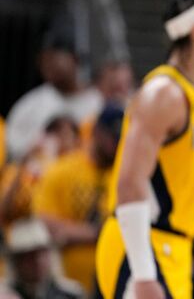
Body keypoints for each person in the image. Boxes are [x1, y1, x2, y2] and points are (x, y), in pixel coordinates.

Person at [95, 0, 194, 299]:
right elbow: (130, 184)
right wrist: (143, 274)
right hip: (141, 246)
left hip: (173, 249)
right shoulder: (164, 93)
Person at [32, 105, 125, 292]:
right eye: (113, 138)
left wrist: (75, 233)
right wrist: (95, 233)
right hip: (67, 282)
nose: (116, 145)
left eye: (121, 139)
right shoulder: (63, 170)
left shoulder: (126, 174)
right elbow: (44, 223)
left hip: (115, 282)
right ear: (97, 132)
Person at [1, 218, 84, 299]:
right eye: (30, 255)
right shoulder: (6, 295)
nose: (38, 261)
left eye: (42, 253)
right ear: (16, 261)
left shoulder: (70, 294)